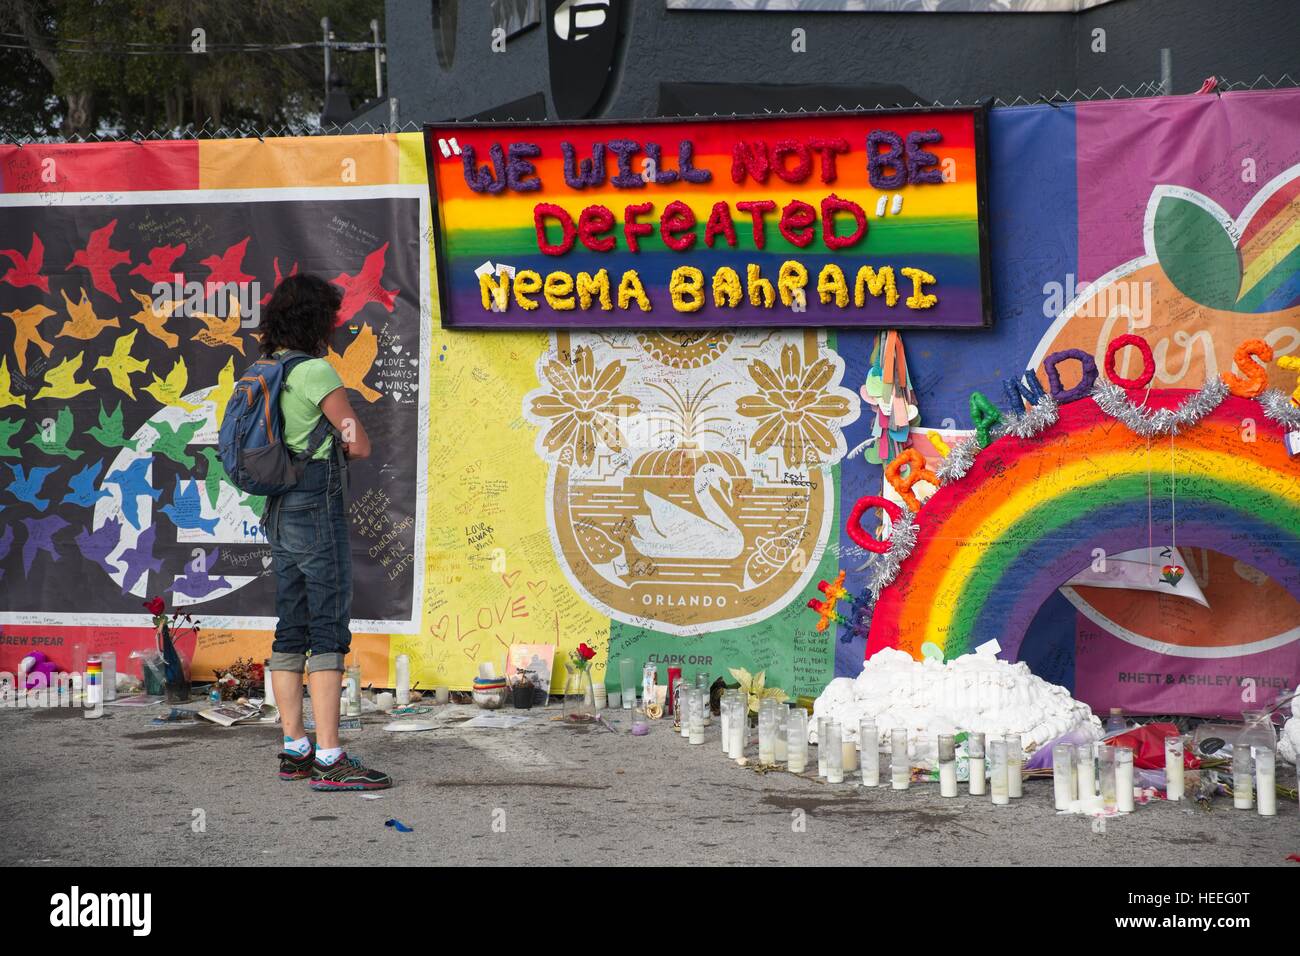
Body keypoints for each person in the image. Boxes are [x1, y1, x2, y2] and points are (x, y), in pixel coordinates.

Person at [259, 274, 392, 791]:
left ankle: (295, 747)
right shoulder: (315, 372)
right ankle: (332, 758)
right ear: (320, 322)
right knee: (328, 627)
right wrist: (342, 440)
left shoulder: (264, 369)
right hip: (316, 507)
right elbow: (357, 443)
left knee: (289, 625)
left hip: (278, 506)